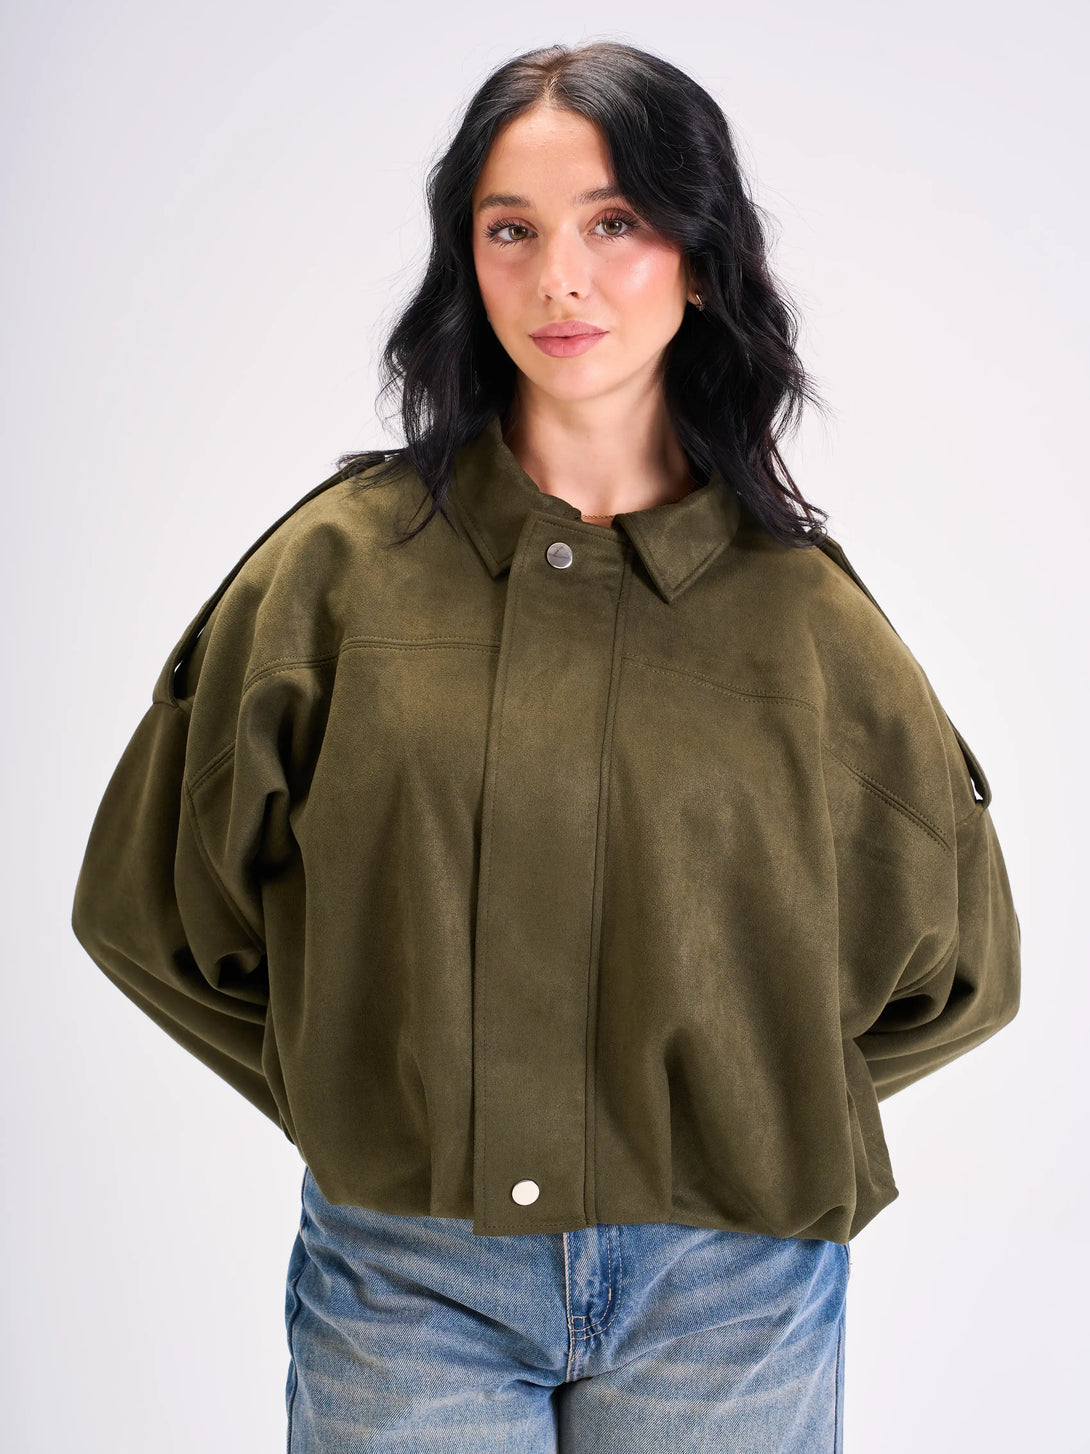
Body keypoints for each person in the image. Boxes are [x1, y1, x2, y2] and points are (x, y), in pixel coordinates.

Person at [70, 39, 1021, 1454]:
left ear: (700, 260)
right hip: (408, 1277)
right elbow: (149, 909)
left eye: (614, 222)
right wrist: (379, 1089)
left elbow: (957, 971)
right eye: (510, 229)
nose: (559, 279)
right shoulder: (333, 574)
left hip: (730, 1291)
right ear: (467, 262)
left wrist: (717, 1104)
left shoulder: (810, 622)